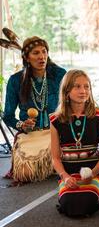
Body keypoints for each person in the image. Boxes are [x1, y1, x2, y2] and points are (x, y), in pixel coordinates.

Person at [1, 32, 66, 182]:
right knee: (25, 175)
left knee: (66, 166)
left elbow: (70, 103)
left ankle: (53, 164)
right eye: (36, 53)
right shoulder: (15, 80)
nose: (41, 56)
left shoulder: (59, 75)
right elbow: (8, 115)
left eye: (44, 52)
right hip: (30, 134)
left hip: (57, 132)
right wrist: (21, 125)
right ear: (26, 57)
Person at [50, 69, 99, 217]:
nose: (83, 91)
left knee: (87, 200)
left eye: (87, 86)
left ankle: (98, 191)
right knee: (69, 204)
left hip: (94, 173)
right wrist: (65, 177)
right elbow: (56, 158)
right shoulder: (55, 120)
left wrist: (93, 173)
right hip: (69, 174)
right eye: (77, 86)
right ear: (66, 91)